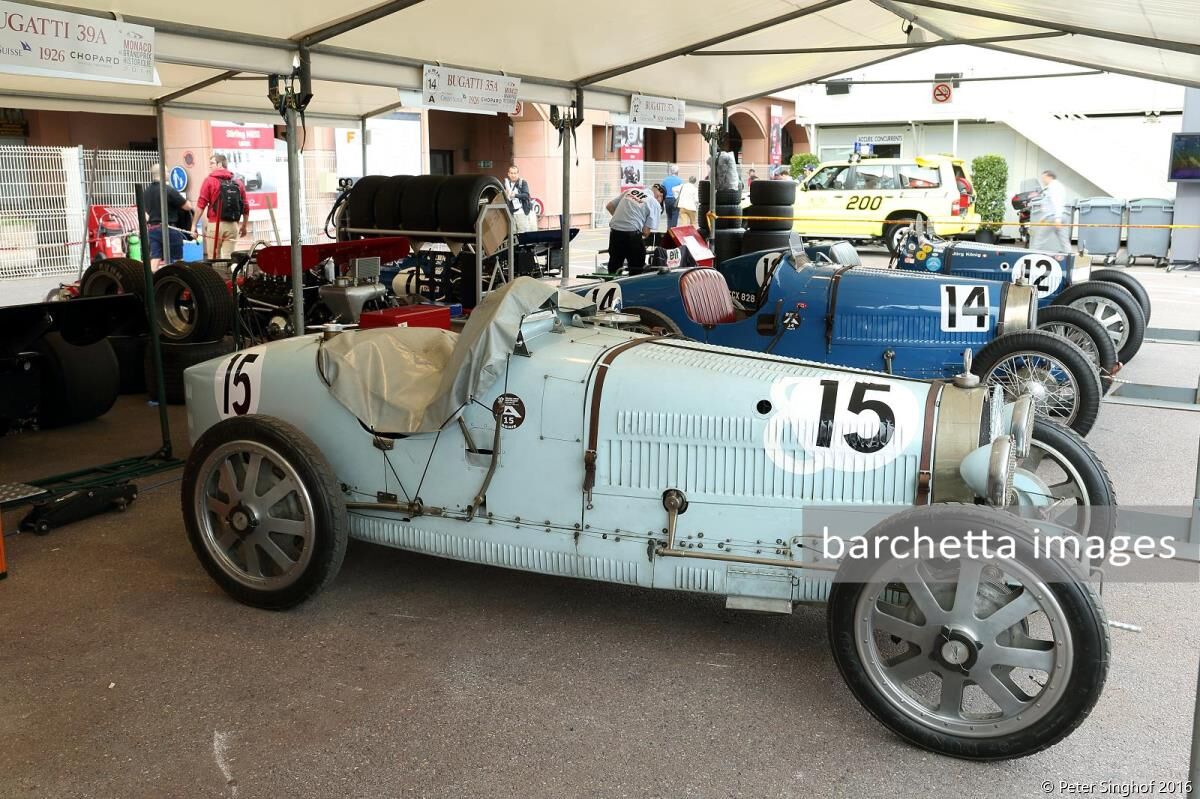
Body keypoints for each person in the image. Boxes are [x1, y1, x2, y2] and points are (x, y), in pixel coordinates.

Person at [193, 154, 248, 260]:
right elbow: (245, 206)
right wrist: (244, 225)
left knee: (214, 259)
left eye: (212, 163)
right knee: (229, 259)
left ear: (220, 164)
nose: (210, 166)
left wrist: (194, 225)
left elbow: (201, 204)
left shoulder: (209, 181)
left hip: (215, 225)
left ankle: (217, 276)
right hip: (232, 225)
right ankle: (228, 276)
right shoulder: (238, 182)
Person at [604, 184, 664, 276]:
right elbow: (645, 232)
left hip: (615, 231)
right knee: (637, 267)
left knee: (614, 265)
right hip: (632, 235)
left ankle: (611, 285)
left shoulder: (631, 190)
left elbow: (609, 206)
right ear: (660, 196)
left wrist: (624, 220)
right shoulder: (654, 203)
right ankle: (633, 286)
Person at [143, 164, 192, 268]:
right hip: (169, 228)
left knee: (155, 257)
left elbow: (145, 212)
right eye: (167, 172)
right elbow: (187, 206)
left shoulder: (146, 192)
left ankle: (153, 280)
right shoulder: (168, 190)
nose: (168, 174)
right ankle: (177, 279)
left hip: (153, 229)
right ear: (162, 173)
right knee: (178, 259)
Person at [1032, 169, 1071, 253]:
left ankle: (1031, 256)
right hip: (1061, 216)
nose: (1042, 180)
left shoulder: (1054, 187)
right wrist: (1044, 217)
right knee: (1064, 241)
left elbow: (1057, 202)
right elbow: (1050, 204)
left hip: (1053, 217)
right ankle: (1070, 259)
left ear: (1049, 177)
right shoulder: (1057, 186)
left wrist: (1057, 218)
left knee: (1039, 239)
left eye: (1043, 178)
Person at [504, 164, 533, 234]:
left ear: (518, 174)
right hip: (510, 213)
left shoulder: (522, 182)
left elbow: (526, 195)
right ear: (508, 174)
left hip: (521, 213)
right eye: (511, 173)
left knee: (523, 235)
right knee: (512, 235)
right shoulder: (506, 184)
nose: (513, 175)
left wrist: (515, 195)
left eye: (515, 173)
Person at [660, 164, 682, 229]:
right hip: (675, 200)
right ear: (677, 172)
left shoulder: (665, 180)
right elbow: (681, 191)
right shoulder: (679, 180)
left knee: (669, 217)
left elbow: (662, 190)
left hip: (667, 200)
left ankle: (669, 231)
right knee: (675, 216)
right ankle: (673, 232)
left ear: (671, 171)